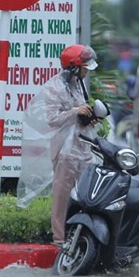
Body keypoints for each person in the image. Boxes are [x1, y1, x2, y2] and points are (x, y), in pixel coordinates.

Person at [17, 45, 99, 245]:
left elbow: (79, 112)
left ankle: (79, 233)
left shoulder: (78, 84)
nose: (87, 71)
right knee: (62, 195)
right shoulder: (55, 88)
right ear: (73, 67)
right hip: (64, 150)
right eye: (84, 67)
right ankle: (59, 237)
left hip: (82, 147)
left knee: (83, 194)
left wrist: (88, 117)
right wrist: (75, 112)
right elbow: (52, 119)